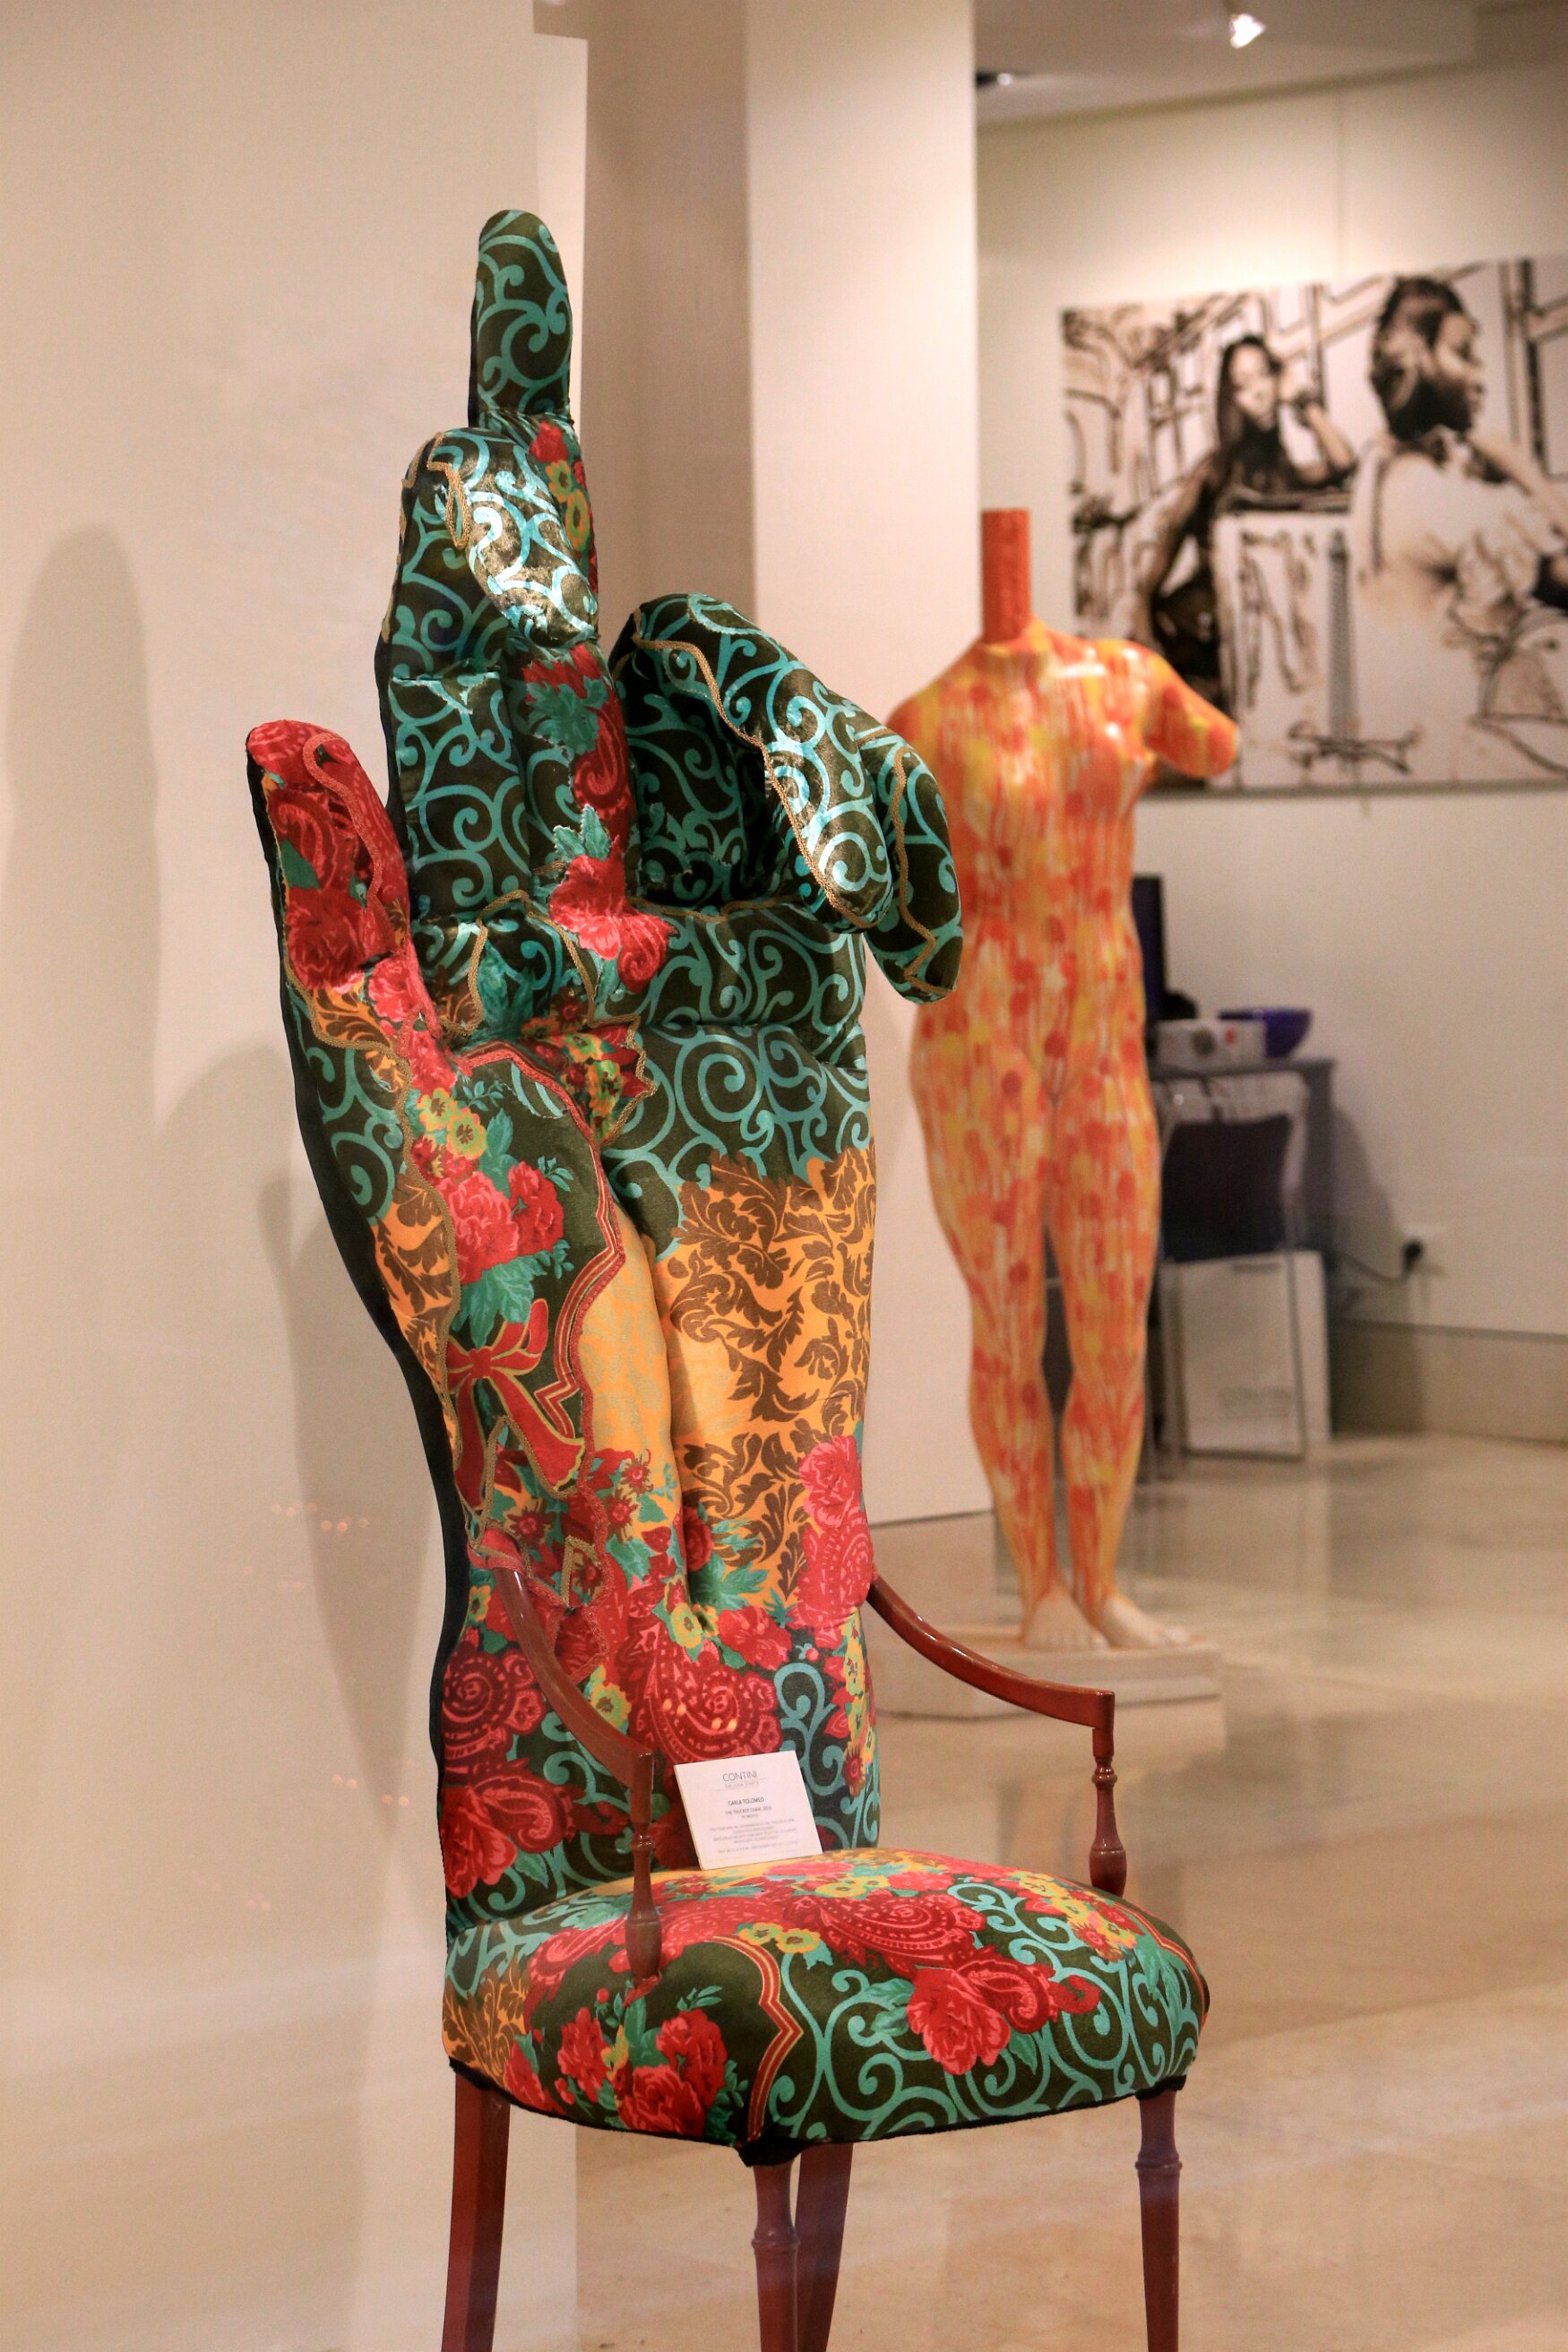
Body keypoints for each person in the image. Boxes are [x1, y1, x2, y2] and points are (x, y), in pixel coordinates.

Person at [897, 511, 1237, 1653]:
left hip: (1100, 1031)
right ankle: (1040, 1585)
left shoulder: (1124, 679)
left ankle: (1099, 1582)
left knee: (1112, 1318)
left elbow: (1218, 745)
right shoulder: (925, 721)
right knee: (1006, 1320)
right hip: (979, 1037)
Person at [1349, 275, 1568, 780]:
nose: (1479, 376)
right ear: (1421, 363)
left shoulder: (1376, 467)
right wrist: (1524, 468)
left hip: (1405, 734)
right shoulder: (1451, 504)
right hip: (1456, 748)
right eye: (1464, 355)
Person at [1129, 334, 1356, 707]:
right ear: (1230, 399)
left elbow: (1343, 462)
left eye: (1265, 375)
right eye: (1243, 384)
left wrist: (1302, 399)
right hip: (1200, 641)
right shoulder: (1212, 472)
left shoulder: (1285, 475)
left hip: (1262, 640)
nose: (1260, 392)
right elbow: (1165, 549)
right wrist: (1142, 622)